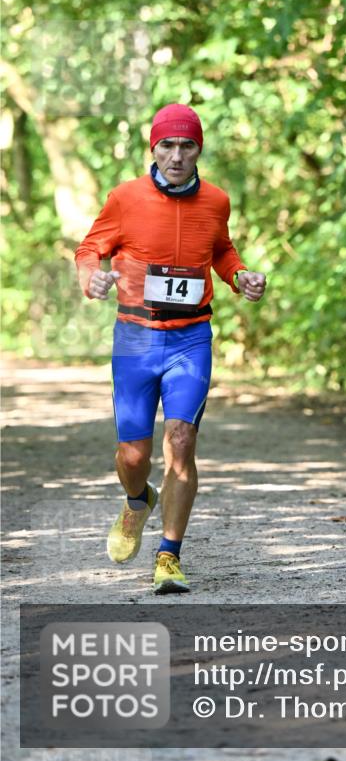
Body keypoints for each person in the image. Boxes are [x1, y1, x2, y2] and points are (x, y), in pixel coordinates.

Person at [75, 104, 266, 593]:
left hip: (190, 337)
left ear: (199, 149)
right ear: (153, 149)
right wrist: (91, 278)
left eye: (187, 146)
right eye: (167, 145)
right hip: (136, 337)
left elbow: (220, 249)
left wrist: (239, 275)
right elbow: (89, 248)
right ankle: (138, 501)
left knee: (181, 440)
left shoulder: (217, 201)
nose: (177, 155)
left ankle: (169, 556)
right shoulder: (125, 198)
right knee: (132, 456)